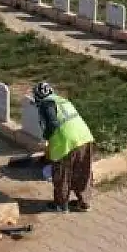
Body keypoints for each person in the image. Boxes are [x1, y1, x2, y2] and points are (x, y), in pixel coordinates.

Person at [33, 82, 95, 212]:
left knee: (62, 175)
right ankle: (84, 203)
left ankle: (61, 205)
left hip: (66, 143)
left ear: (37, 98)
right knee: (83, 171)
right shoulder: (62, 101)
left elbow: (53, 123)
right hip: (85, 137)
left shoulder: (45, 104)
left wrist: (46, 136)